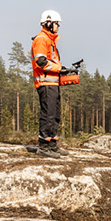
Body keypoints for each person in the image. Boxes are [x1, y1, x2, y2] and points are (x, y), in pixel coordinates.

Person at [31, 10, 79, 155]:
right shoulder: (41, 39)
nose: (58, 26)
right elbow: (41, 62)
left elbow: (50, 62)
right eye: (57, 23)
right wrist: (59, 69)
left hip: (52, 84)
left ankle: (52, 144)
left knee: (55, 114)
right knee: (48, 115)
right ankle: (44, 147)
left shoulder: (50, 41)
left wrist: (62, 70)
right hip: (45, 84)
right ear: (49, 23)